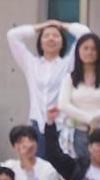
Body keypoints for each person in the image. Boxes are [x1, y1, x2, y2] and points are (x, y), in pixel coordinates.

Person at [6, 17, 85, 148]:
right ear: (40, 43)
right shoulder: (31, 63)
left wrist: (61, 25)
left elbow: (85, 34)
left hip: (62, 125)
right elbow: (12, 36)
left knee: (60, 165)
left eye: (56, 36)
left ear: (62, 42)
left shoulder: (68, 64)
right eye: (46, 36)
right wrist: (43, 26)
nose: (51, 39)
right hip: (37, 125)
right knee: (38, 165)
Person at [59, 31, 100, 156]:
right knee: (76, 170)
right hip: (75, 131)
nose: (89, 52)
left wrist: (93, 121)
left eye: (93, 49)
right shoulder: (69, 77)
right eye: (85, 48)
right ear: (78, 51)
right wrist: (89, 120)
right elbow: (63, 104)